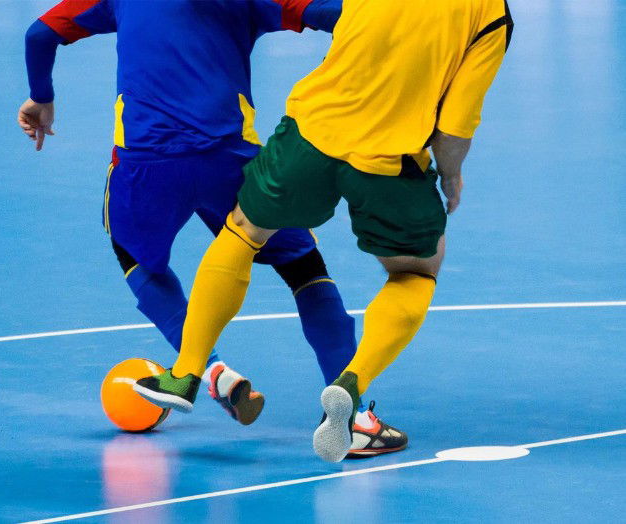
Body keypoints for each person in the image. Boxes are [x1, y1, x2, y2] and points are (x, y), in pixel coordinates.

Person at [18, 0, 408, 457]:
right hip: (231, 161)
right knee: (304, 267)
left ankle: (206, 370)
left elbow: (39, 35)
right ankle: (355, 417)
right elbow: (340, 15)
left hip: (147, 165)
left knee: (136, 257)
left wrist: (41, 97)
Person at [135, 0, 514, 462]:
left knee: (242, 231)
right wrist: (450, 175)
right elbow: (454, 127)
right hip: (388, 161)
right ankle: (350, 388)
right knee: (416, 271)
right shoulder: (491, 14)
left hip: (309, 136)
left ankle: (186, 371)